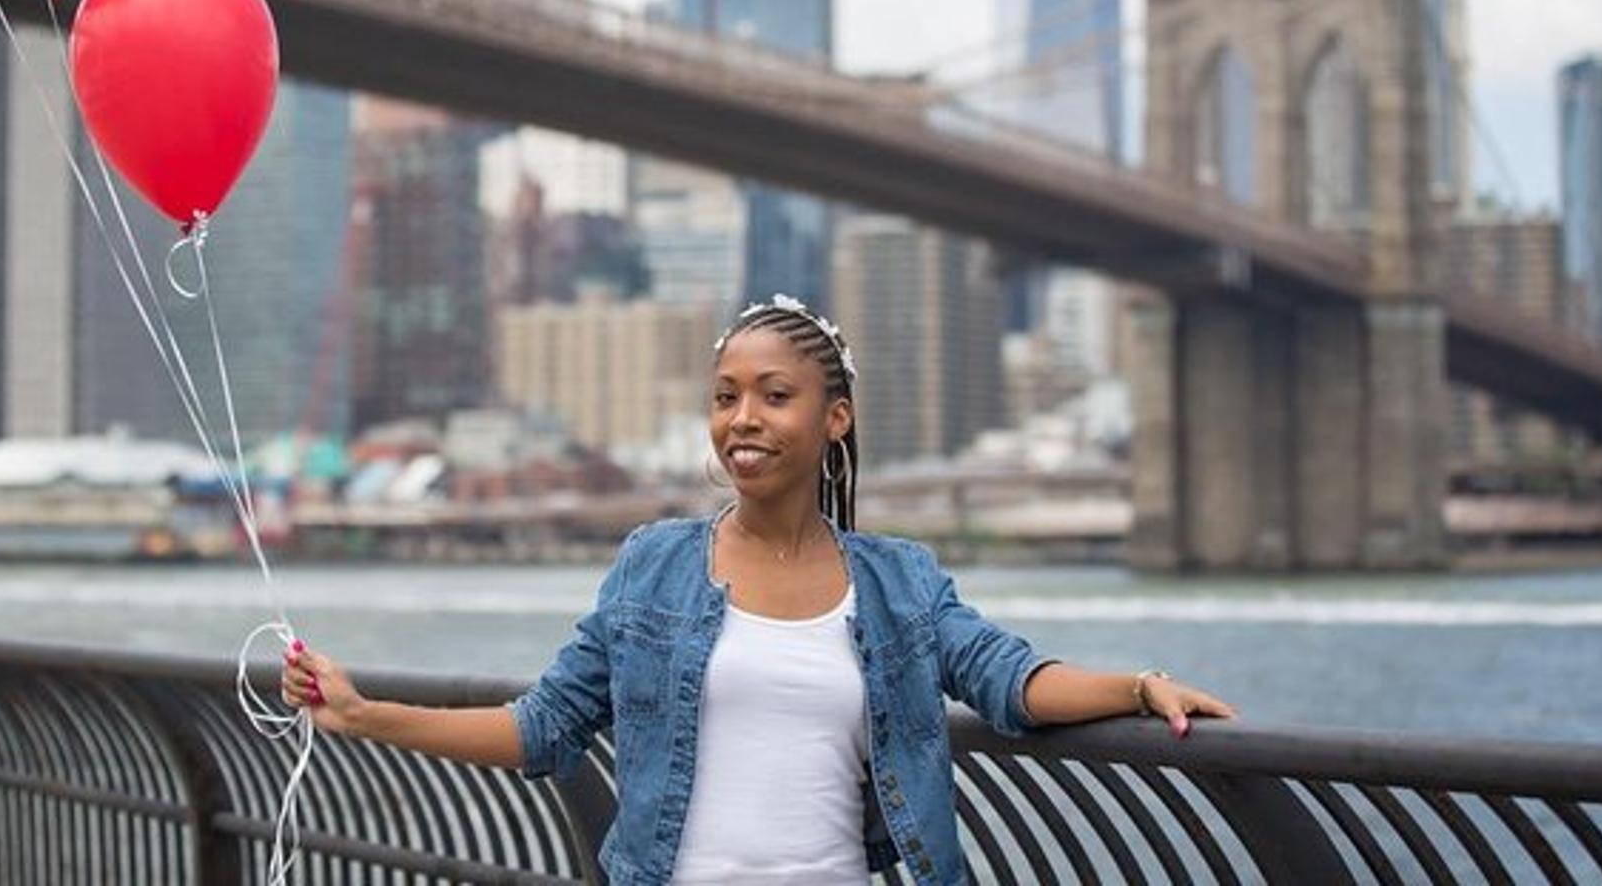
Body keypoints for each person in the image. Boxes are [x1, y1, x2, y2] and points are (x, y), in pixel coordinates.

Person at [284, 293, 1235, 884]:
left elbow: (1010, 680)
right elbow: (543, 727)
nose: (743, 418)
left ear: (835, 417)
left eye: (775, 396)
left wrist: (1138, 686)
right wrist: (369, 714)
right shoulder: (651, 564)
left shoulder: (899, 581)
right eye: (725, 395)